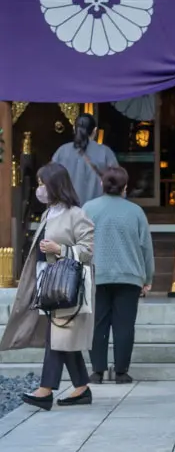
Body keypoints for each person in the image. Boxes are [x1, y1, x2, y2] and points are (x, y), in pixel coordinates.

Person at [0, 162, 95, 410]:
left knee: (56, 336)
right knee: (62, 337)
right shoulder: (48, 213)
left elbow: (88, 251)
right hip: (49, 283)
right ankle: (82, 388)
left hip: (66, 286)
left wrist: (60, 249)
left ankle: (45, 390)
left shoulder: (76, 214)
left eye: (43, 183)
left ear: (56, 185)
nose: (39, 189)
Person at [83, 167, 154, 385]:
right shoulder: (135, 212)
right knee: (124, 325)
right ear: (124, 187)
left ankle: (97, 370)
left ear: (102, 185)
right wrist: (147, 278)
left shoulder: (88, 208)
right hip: (129, 276)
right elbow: (146, 248)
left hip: (97, 274)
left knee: (97, 324)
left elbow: (81, 242)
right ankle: (122, 371)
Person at [52, 113, 118, 206]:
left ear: (74, 129)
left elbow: (50, 180)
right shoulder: (105, 152)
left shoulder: (62, 151)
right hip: (97, 211)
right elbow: (117, 182)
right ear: (95, 131)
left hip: (67, 211)